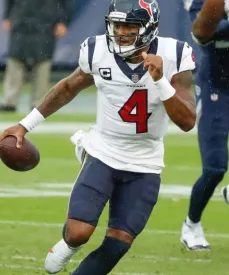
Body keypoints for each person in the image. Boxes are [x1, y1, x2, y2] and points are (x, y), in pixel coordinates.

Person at [0, 0, 196, 274]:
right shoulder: (98, 50)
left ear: (150, 28)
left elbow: (187, 121)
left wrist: (160, 79)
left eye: (130, 26)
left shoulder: (175, 53)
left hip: (146, 161)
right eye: (117, 26)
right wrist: (25, 125)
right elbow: (68, 88)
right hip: (103, 151)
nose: (121, 33)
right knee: (78, 233)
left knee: (119, 242)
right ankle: (68, 246)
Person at [180, 0, 229, 253]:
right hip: (214, 90)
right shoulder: (203, 4)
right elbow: (204, 32)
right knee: (215, 167)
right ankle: (191, 224)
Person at [0, 0, 70, 112]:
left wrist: (63, 21)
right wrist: (7, 16)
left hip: (46, 22)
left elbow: (66, 2)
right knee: (15, 60)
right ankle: (10, 102)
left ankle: (39, 103)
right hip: (20, 20)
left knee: (43, 63)